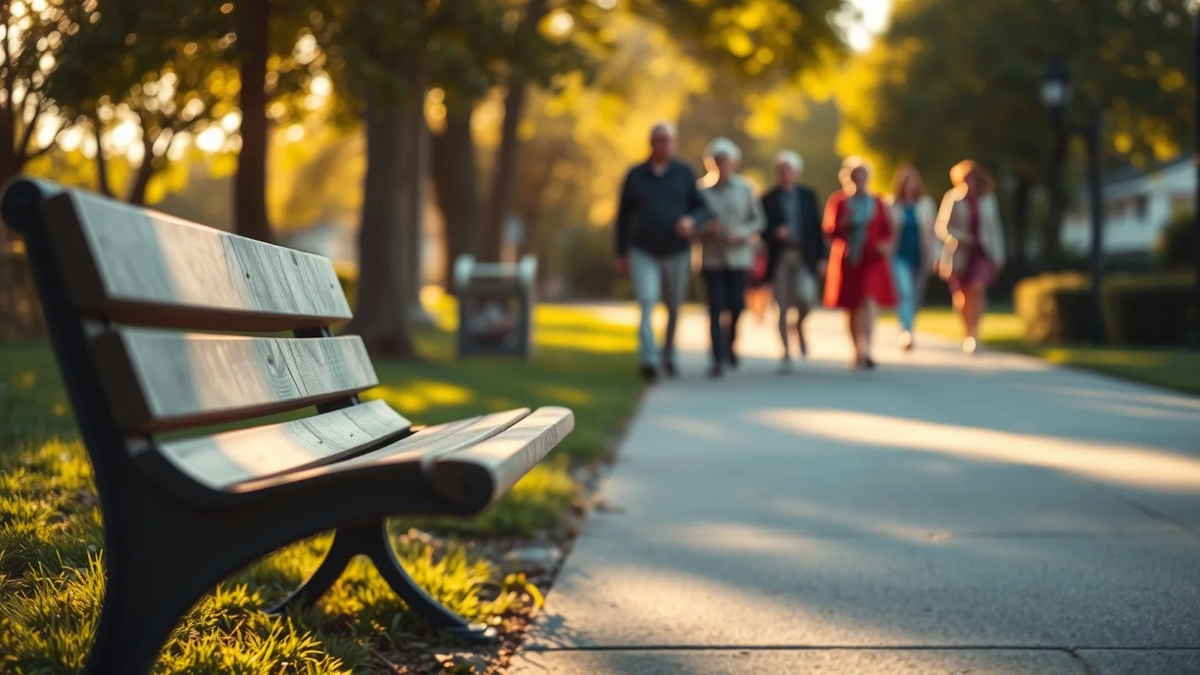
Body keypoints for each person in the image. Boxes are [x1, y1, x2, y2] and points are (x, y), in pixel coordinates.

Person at [615, 122, 708, 382]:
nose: (664, 145)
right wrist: (621, 253)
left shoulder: (684, 172)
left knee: (674, 307)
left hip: (676, 251)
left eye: (668, 140)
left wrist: (691, 221)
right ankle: (650, 360)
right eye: (659, 140)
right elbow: (623, 216)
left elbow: (700, 208)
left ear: (674, 143)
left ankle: (669, 355)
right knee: (647, 299)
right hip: (643, 250)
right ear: (651, 143)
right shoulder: (635, 175)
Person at [696, 137, 765, 378]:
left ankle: (730, 345)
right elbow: (692, 222)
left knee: (736, 305)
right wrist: (705, 229)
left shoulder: (746, 189)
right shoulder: (700, 191)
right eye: (717, 161)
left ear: (733, 163)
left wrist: (743, 233)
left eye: (725, 161)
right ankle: (717, 358)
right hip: (711, 258)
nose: (721, 165)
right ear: (710, 163)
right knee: (715, 307)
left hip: (738, 257)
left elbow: (758, 220)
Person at [823, 156, 896, 370]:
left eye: (863, 176)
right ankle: (856, 348)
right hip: (848, 260)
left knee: (869, 300)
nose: (859, 180)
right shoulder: (839, 202)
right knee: (852, 306)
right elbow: (829, 231)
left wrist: (885, 245)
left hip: (872, 259)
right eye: (855, 176)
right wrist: (844, 222)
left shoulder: (878, 202)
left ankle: (867, 349)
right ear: (848, 178)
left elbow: (888, 230)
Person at [760, 150, 826, 373]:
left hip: (803, 255)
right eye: (781, 170)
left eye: (789, 170)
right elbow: (761, 230)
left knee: (806, 299)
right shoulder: (767, 198)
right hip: (780, 257)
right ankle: (786, 352)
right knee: (781, 305)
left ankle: (798, 326)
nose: (785, 174)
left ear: (796, 172)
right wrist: (774, 232)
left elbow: (816, 229)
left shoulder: (807, 196)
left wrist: (821, 258)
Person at [935, 160, 1006, 354]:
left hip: (983, 252)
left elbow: (995, 229)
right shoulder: (953, 198)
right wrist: (960, 237)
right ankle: (966, 331)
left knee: (978, 288)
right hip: (960, 253)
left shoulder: (988, 200)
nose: (969, 183)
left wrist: (999, 255)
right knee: (962, 295)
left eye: (972, 178)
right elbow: (942, 227)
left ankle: (974, 333)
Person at [885, 165, 938, 351]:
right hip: (898, 256)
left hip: (920, 256)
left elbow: (933, 233)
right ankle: (906, 332)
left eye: (912, 182)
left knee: (915, 297)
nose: (909, 186)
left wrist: (935, 256)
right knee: (905, 292)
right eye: (906, 183)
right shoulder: (891, 204)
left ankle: (908, 327)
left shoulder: (925, 205)